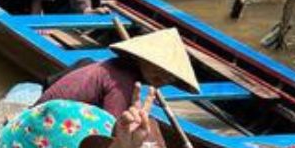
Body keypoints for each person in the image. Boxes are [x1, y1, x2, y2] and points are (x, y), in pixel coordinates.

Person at [37, 27, 200, 118]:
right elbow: (111, 132)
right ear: (143, 59)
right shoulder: (122, 83)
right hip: (46, 120)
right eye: (160, 69)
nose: (165, 78)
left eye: (171, 76)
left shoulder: (115, 67)